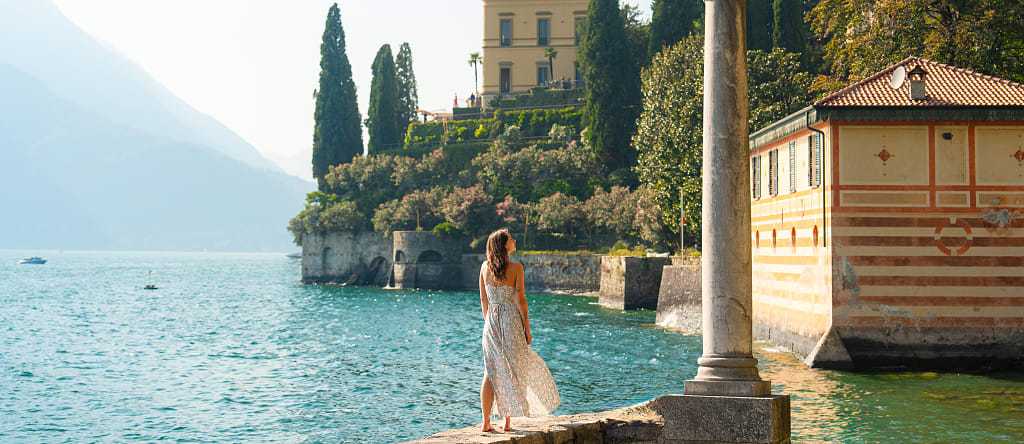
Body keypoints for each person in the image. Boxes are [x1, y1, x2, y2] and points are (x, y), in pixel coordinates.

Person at [478, 228, 560, 433]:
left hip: (490, 323)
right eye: (511, 239)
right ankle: (507, 422)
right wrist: (527, 329)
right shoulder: (516, 268)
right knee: (515, 368)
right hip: (510, 321)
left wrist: (489, 323)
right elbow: (521, 301)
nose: (515, 241)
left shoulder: (484, 267)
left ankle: (486, 422)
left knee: (490, 371)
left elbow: (483, 300)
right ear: (504, 245)